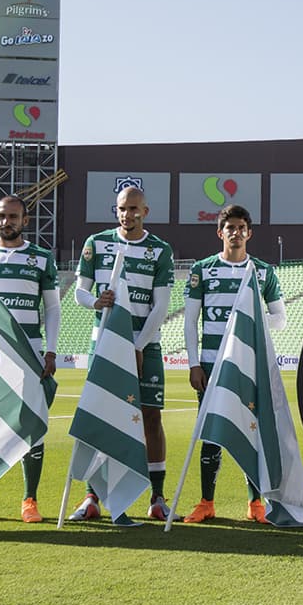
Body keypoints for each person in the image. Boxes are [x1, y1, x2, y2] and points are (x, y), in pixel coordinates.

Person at [68, 185, 177, 524]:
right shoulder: (96, 243)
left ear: (145, 211)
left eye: (133, 209)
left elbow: (161, 305)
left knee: (150, 418)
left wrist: (140, 345)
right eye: (121, 209)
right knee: (100, 415)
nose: (126, 215)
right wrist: (95, 302)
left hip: (146, 343)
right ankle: (92, 497)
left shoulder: (159, 250)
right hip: (104, 343)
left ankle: (157, 497)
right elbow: (80, 294)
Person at [181, 204, 286, 524]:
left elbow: (280, 319)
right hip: (212, 366)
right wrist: (194, 364)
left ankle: (256, 504)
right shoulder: (203, 269)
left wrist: (251, 321)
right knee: (211, 434)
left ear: (249, 233)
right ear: (220, 232)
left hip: (248, 365)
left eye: (241, 228)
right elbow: (190, 321)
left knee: (250, 432)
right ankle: (206, 503)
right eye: (230, 228)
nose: (236, 233)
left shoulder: (263, 271)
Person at [0, 195, 60, 524]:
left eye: (14, 216)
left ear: (25, 220)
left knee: (32, 427)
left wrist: (50, 350)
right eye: (2, 216)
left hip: (29, 353)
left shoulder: (42, 258)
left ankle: (29, 500)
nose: (7, 221)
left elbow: (53, 309)